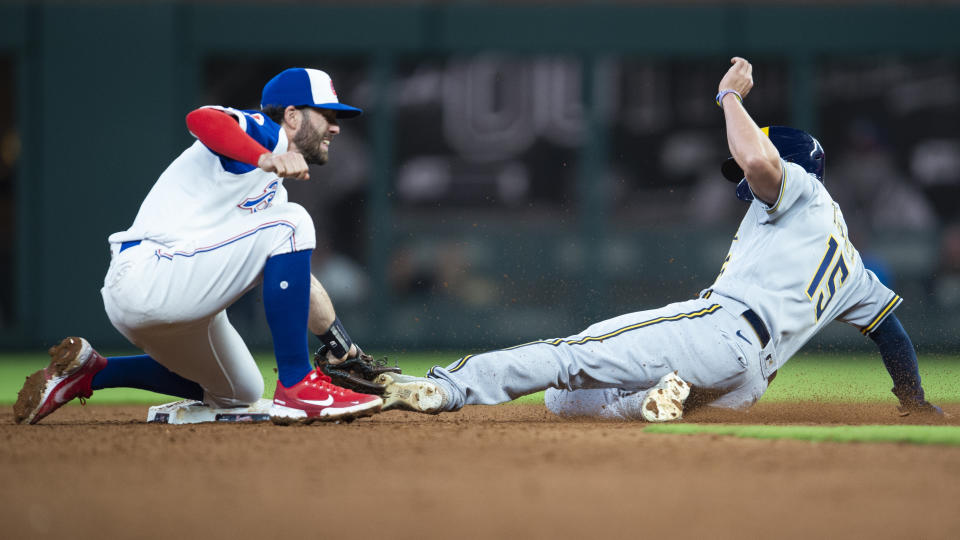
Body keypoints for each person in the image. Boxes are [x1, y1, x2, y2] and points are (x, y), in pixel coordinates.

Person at [374, 57, 944, 421]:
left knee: (570, 358)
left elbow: (760, 164)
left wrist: (730, 98)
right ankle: (666, 396)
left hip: (720, 331)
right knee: (564, 401)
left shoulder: (804, 194)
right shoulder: (849, 264)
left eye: (748, 165)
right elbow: (891, 333)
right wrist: (913, 403)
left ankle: (447, 388)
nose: (741, 176)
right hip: (746, 382)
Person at [14, 68, 382, 425]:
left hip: (170, 295)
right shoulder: (263, 132)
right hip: (150, 272)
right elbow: (203, 119)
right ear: (291, 115)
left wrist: (342, 348)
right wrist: (263, 156)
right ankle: (298, 386)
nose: (335, 126)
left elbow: (303, 283)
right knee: (293, 220)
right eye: (327, 115)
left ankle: (91, 373)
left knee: (241, 391)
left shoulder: (272, 196)